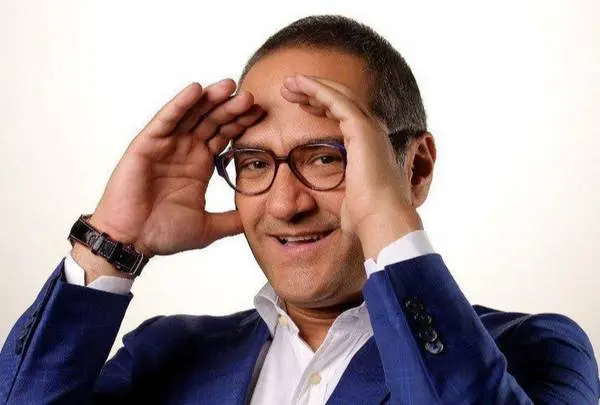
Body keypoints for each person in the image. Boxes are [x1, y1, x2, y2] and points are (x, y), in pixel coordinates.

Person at [0, 14, 598, 405]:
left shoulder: (536, 350)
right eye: (255, 163)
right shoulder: (165, 353)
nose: (286, 204)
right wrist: (111, 242)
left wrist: (387, 225)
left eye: (327, 157)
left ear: (414, 169)